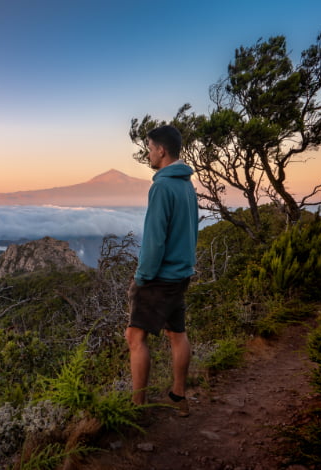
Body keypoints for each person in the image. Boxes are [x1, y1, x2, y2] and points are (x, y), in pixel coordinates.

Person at [125, 124, 198, 416]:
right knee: (177, 334)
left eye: (150, 148)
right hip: (181, 274)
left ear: (161, 150)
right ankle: (179, 397)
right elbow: (190, 230)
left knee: (135, 337)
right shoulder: (186, 185)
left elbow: (154, 241)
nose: (148, 154)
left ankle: (137, 408)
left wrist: (142, 277)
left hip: (159, 277)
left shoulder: (162, 187)